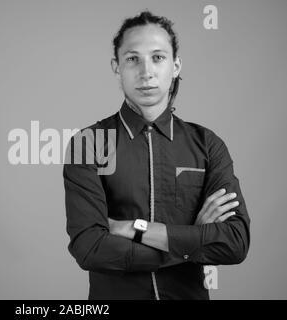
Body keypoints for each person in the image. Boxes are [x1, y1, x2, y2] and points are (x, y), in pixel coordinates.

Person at [63, 10, 250, 300]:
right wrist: (189, 242)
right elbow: (90, 248)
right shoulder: (88, 144)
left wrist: (132, 228)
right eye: (132, 59)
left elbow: (235, 243)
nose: (146, 72)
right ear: (117, 67)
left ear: (175, 66)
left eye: (158, 57)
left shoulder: (208, 144)